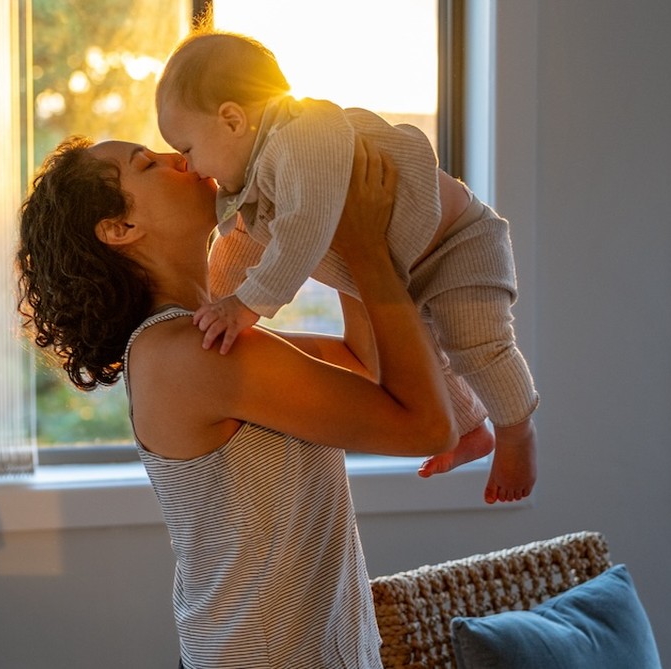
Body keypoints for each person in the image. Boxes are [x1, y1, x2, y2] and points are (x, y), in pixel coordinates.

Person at [17, 134, 454, 668]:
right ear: (120, 229)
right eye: (148, 164)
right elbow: (428, 429)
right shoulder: (187, 355)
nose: (179, 157)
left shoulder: (202, 339)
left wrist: (336, 220)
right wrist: (365, 250)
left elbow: (364, 364)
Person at [154, 28, 538, 504]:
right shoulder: (255, 178)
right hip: (406, 267)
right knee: (424, 356)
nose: (189, 167)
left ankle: (516, 431)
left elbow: (303, 230)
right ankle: (471, 430)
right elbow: (240, 248)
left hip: (456, 245)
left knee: (474, 345)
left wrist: (245, 306)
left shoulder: (303, 138)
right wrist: (211, 306)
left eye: (187, 149)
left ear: (232, 120)